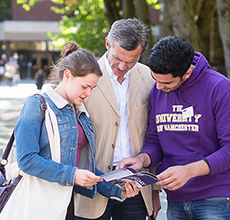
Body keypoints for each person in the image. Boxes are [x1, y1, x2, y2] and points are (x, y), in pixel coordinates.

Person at [0, 42, 140, 220]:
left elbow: (82, 166)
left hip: (65, 205)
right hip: (35, 204)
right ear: (68, 75)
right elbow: (26, 160)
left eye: (92, 88)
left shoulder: (80, 112)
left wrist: (119, 191)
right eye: (85, 86)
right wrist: (72, 175)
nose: (88, 93)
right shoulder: (36, 105)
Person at [118, 36, 230, 220]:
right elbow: (156, 141)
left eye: (167, 83)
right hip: (176, 197)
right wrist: (142, 159)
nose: (160, 87)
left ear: (187, 73)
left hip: (215, 197)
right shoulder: (158, 91)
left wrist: (189, 171)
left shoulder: (222, 90)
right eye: (156, 80)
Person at [75, 18, 159, 220]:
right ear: (107, 44)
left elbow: (155, 134)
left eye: (131, 61)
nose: (122, 66)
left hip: (135, 186)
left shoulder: (149, 77)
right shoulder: (85, 76)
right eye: (117, 58)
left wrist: (154, 191)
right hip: (92, 182)